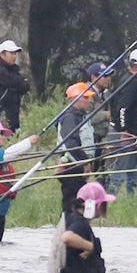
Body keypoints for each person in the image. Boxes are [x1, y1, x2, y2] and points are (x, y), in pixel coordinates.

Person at [55, 82, 100, 214]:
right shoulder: (70, 117)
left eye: (89, 97)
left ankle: (74, 230)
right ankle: (68, 230)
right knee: (72, 204)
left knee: (79, 202)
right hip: (71, 166)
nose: (90, 100)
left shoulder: (81, 116)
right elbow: (71, 144)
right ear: (75, 99)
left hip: (78, 165)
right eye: (86, 97)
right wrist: (84, 162)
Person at [107, 49, 137, 193]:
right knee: (118, 175)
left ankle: (134, 201)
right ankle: (108, 202)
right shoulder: (131, 83)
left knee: (134, 174)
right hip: (122, 135)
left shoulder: (128, 79)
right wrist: (124, 132)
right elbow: (122, 109)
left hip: (130, 135)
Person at [0, 40, 29, 131]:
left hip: (14, 111)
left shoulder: (13, 70)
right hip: (1, 112)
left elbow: (25, 87)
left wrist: (20, 84)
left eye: (15, 53)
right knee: (2, 137)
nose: (14, 56)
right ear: (2, 55)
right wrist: (20, 83)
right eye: (11, 53)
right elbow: (19, 83)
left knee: (14, 137)